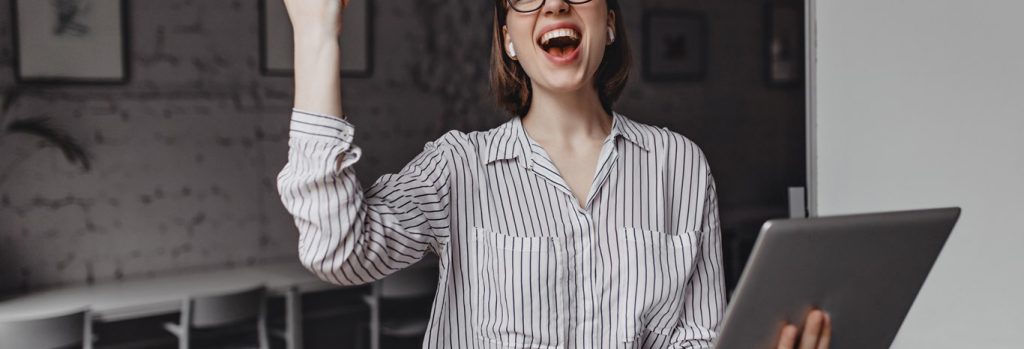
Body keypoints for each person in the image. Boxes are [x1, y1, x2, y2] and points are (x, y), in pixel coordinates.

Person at [276, 0, 831, 348]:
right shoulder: (458, 168)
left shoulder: (679, 165)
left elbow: (693, 337)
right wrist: (317, 32)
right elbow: (337, 250)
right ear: (509, 41)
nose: (555, 6)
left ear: (608, 24)